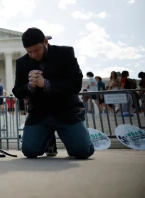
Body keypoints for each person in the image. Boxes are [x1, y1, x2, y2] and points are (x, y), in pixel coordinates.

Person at [12, 27, 94, 159]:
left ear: (45, 42)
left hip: (65, 111)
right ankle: (48, 138)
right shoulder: (22, 62)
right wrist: (30, 86)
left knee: (83, 152)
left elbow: (76, 84)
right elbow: (17, 91)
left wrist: (46, 83)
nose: (33, 55)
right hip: (39, 114)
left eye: (37, 50)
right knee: (29, 151)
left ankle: (79, 137)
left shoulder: (65, 53)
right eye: (29, 52)